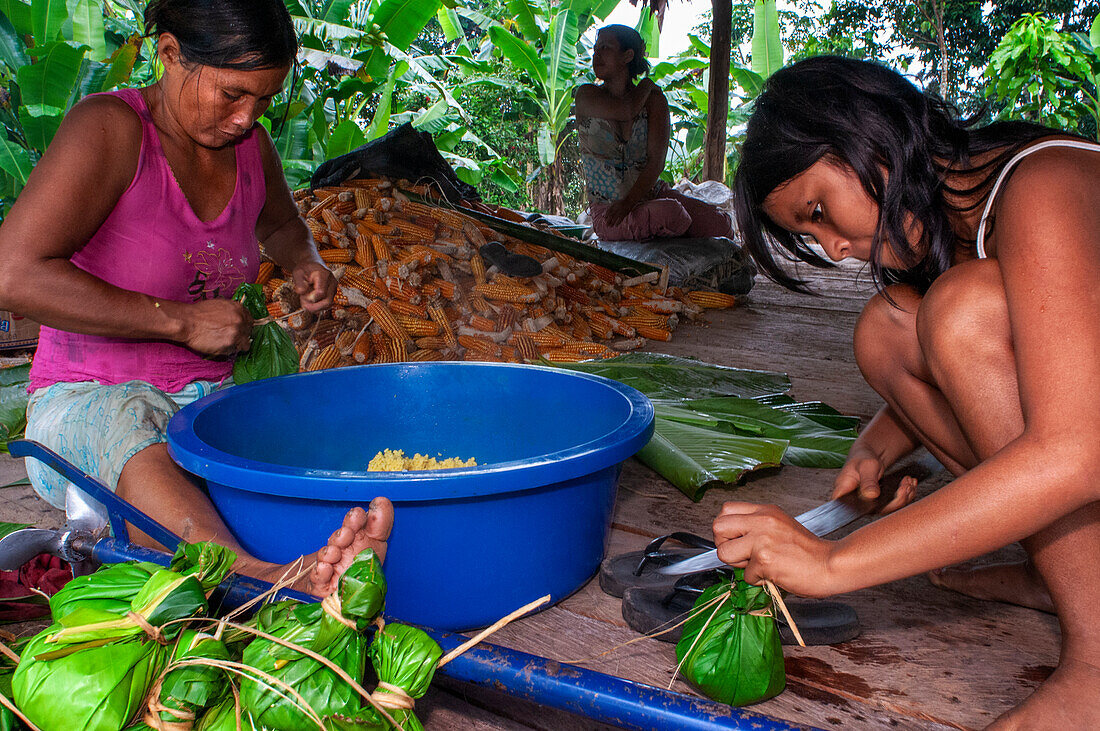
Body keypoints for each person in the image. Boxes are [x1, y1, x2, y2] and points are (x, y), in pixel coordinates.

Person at [718, 55, 1099, 729]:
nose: (835, 248)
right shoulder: (959, 219)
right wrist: (880, 442)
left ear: (871, 137)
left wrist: (833, 562)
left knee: (959, 310)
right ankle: (1068, 572)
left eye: (819, 210)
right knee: (889, 326)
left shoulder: (1038, 184)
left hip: (1083, 450)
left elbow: (1077, 450)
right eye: (810, 235)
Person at [0, 0, 392, 597]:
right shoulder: (109, 129)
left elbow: (283, 226)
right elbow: (13, 275)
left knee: (321, 417)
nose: (245, 117)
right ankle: (261, 582)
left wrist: (304, 262)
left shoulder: (250, 148)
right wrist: (180, 324)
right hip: (87, 405)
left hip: (210, 402)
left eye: (263, 100)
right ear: (170, 55)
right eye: (232, 94)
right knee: (133, 421)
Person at [575, 25, 733, 242]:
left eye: (605, 47)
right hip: (608, 209)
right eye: (595, 49)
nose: (596, 54)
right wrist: (648, 84)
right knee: (672, 214)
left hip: (652, 194)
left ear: (627, 56)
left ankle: (661, 226)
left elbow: (656, 163)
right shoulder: (586, 95)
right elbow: (626, 109)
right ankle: (663, 226)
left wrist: (630, 203)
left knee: (721, 224)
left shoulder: (654, 102)